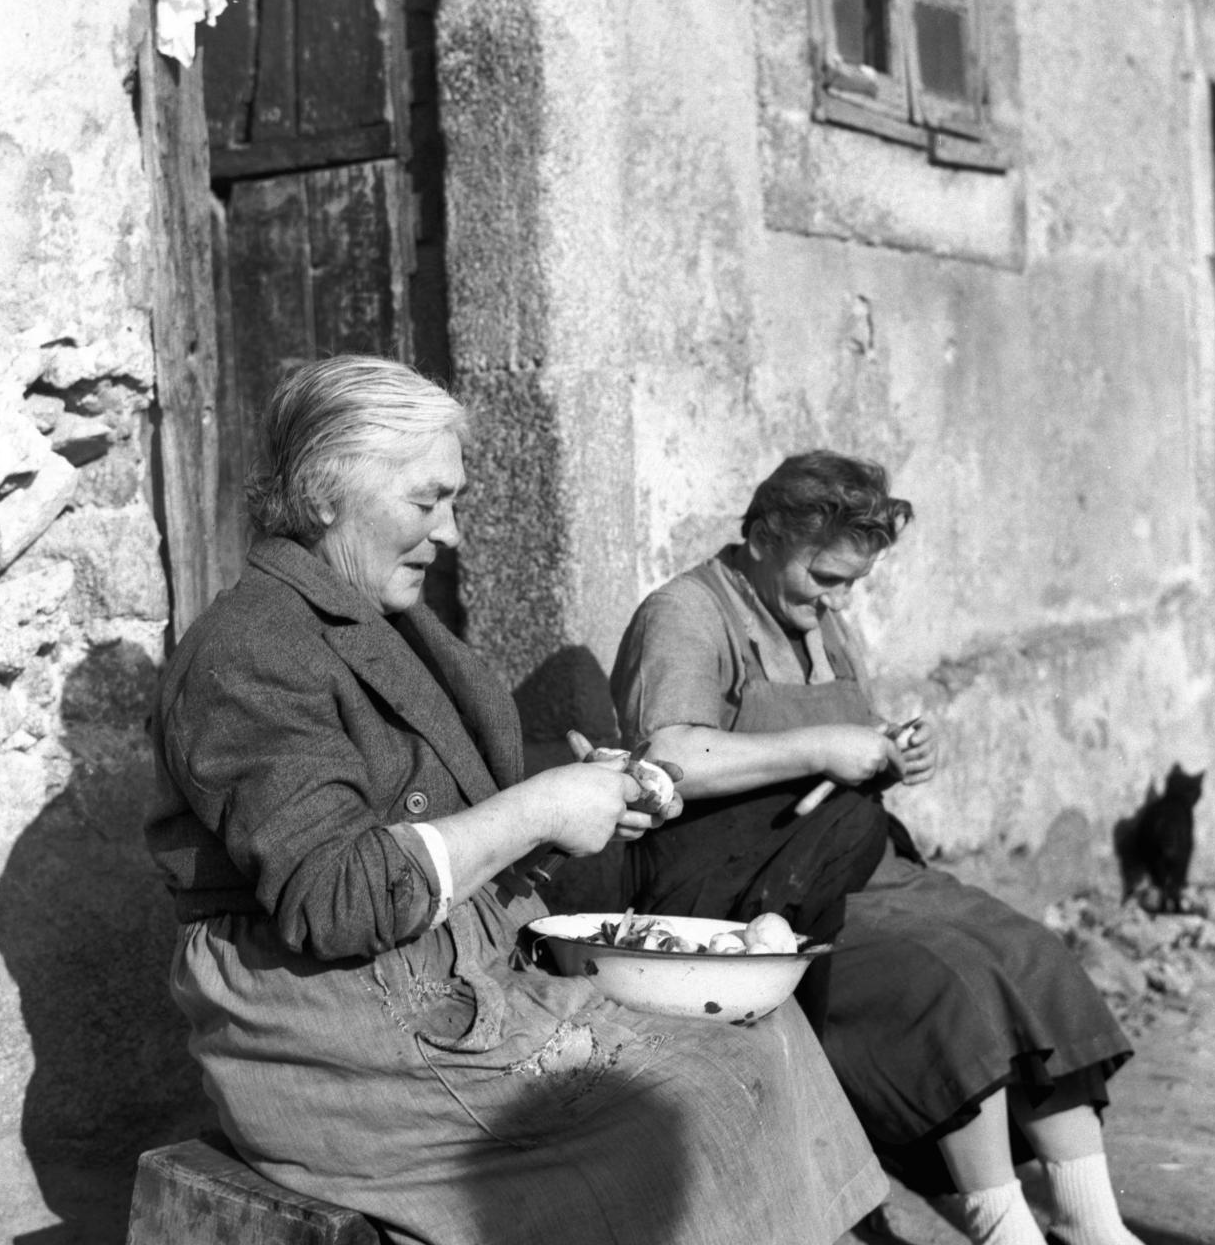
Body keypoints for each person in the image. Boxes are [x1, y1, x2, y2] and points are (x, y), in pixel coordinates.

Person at [145, 359, 888, 1245]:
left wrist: (582, 799)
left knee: (765, 1037)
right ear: (323, 494)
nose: (450, 533)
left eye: (452, 502)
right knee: (697, 1106)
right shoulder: (249, 652)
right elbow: (338, 897)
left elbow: (424, 819)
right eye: (427, 501)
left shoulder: (379, 619)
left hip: (455, 974)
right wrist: (537, 808)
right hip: (341, 1030)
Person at [610, 450, 1143, 1245]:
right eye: (826, 578)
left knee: (1027, 953)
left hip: (856, 860)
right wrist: (822, 745)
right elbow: (668, 755)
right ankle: (1004, 1229)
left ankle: (1091, 1223)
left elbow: (850, 742)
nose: (838, 600)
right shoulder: (686, 613)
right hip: (749, 889)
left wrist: (894, 751)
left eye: (852, 583)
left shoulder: (819, 619)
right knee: (942, 982)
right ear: (762, 538)